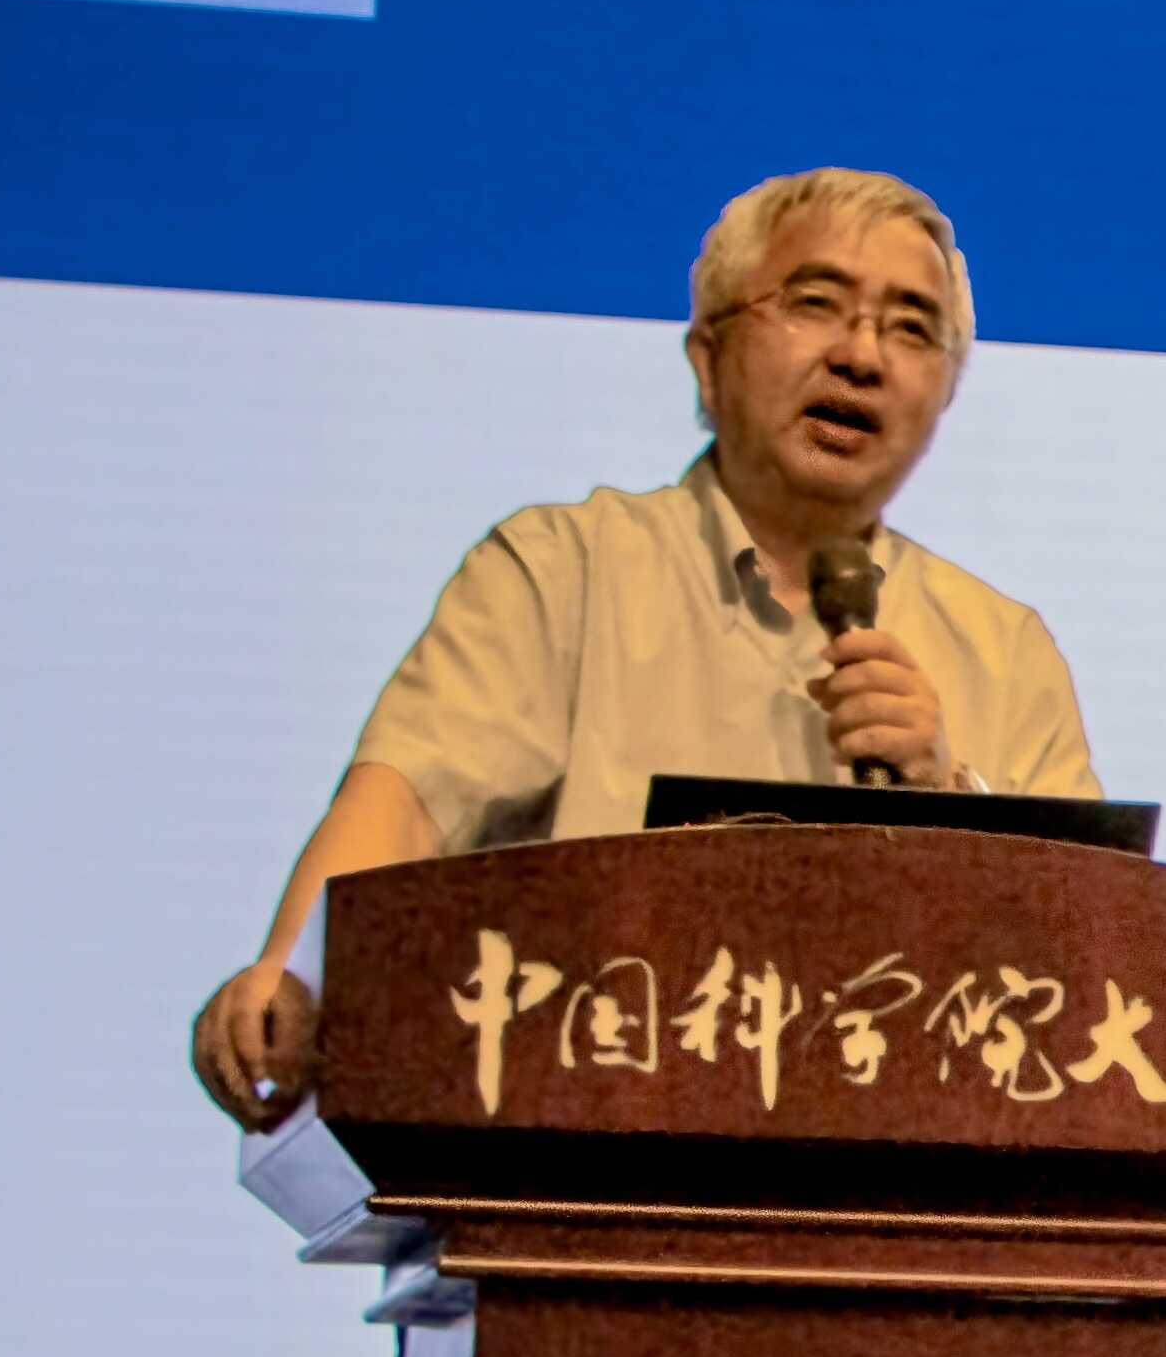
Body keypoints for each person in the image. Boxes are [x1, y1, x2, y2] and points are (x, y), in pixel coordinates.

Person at [189, 167, 1100, 1128]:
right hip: (586, 1157)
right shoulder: (566, 571)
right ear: (709, 354)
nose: (862, 355)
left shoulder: (1005, 651)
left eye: (912, 328)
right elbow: (408, 800)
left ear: (946, 393)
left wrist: (953, 797)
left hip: (914, 1183)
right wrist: (293, 974)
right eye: (816, 304)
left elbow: (1098, 966)